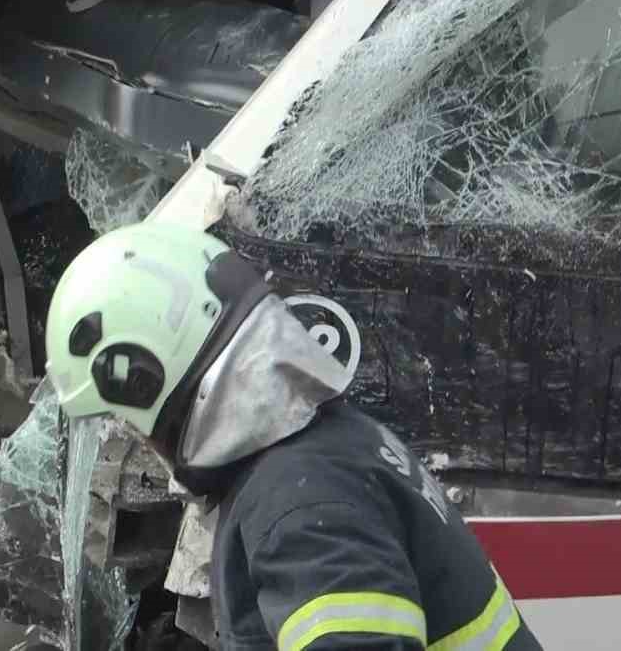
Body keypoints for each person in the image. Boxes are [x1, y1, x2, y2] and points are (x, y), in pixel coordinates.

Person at [43, 222, 542, 651]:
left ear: (151, 378)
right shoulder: (328, 446)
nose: (137, 439)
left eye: (128, 419)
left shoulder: (300, 505)